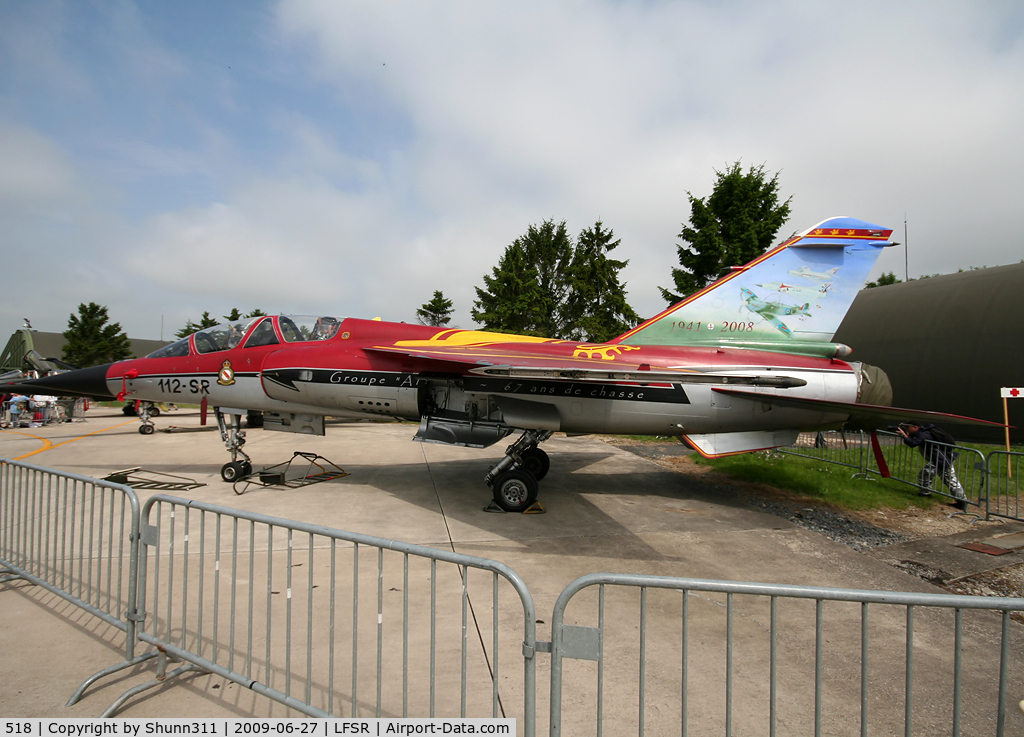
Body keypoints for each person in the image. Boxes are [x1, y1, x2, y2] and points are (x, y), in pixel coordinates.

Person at [896, 422, 967, 510]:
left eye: (908, 427)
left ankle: (962, 501)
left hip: (942, 459)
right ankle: (925, 493)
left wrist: (904, 435)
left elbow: (913, 443)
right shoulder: (923, 432)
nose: (906, 429)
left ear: (915, 427)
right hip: (939, 458)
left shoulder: (924, 434)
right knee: (926, 473)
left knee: (950, 479)